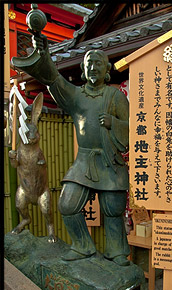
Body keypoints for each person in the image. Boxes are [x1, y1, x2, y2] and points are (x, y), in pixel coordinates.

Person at [12, 33, 130, 266]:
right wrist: (44, 53)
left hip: (109, 161)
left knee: (113, 208)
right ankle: (83, 246)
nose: (93, 67)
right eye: (89, 64)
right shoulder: (76, 96)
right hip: (84, 162)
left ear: (107, 69)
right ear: (84, 71)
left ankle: (116, 250)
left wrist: (113, 124)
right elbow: (54, 80)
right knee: (67, 204)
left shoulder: (115, 97)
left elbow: (132, 128)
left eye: (98, 63)